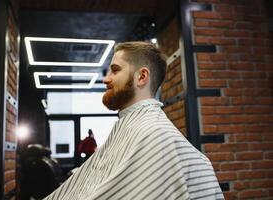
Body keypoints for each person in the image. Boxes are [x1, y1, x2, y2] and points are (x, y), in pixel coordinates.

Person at [44, 41, 224, 200]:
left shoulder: (156, 134)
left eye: (115, 70)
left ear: (142, 77)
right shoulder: (130, 126)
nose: (106, 79)